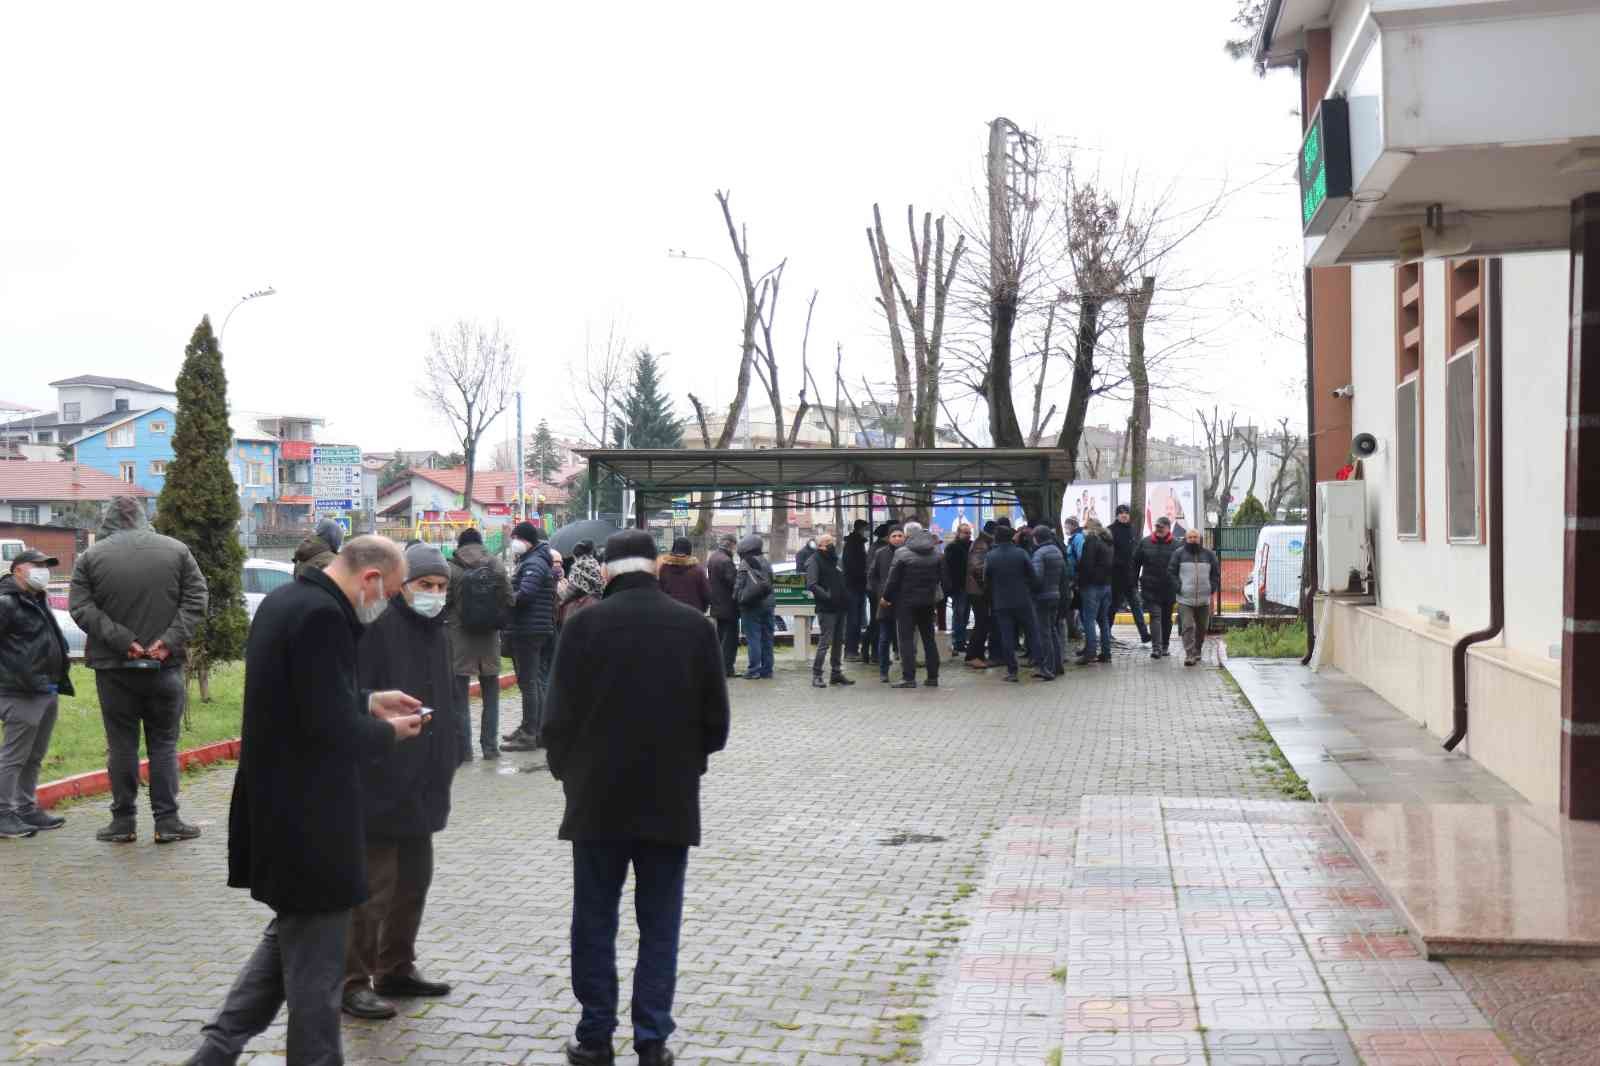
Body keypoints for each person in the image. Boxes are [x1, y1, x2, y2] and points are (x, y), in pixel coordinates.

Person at [185, 537, 425, 1066]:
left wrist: (369, 699)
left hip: (279, 810)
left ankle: (215, 1051)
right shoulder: (323, 617)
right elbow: (327, 727)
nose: (386, 604)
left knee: (287, 944)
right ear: (370, 580)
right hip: (311, 822)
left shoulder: (286, 601)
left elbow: (299, 697)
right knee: (317, 983)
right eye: (391, 591)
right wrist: (390, 733)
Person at [542, 530, 730, 1066]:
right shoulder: (694, 628)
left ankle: (595, 1034)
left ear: (606, 571)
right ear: (654, 568)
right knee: (660, 923)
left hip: (596, 800)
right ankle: (653, 1039)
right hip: (669, 800)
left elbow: (555, 722)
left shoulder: (582, 627)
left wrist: (571, 776)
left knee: (594, 919)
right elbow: (716, 723)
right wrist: (687, 764)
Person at [343, 543, 458, 1020]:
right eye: (424, 586)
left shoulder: (439, 633)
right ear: (403, 587)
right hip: (382, 779)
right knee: (374, 890)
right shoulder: (375, 628)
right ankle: (352, 980)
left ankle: (397, 967)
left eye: (440, 587)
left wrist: (452, 754)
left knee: (414, 883)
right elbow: (355, 696)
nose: (433, 594)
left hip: (426, 781)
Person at [69, 495, 208, 844]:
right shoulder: (177, 551)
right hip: (165, 666)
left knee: (122, 746)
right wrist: (167, 642)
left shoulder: (91, 557)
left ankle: (123, 822)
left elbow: (80, 607)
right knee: (163, 744)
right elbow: (196, 599)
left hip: (115, 667)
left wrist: (123, 641)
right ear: (144, 517)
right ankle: (167, 821)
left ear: (109, 520)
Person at [0, 550, 73, 839]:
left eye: (47, 565)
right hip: (20, 691)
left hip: (46, 688)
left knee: (34, 755)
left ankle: (25, 807)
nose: (44, 570)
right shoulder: (6, 602)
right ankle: (3, 813)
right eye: (37, 565)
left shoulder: (36, 598)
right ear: (18, 570)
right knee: (14, 756)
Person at [445, 527, 511, 762]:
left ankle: (464, 751)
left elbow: (445, 602)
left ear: (460, 545)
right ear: (481, 543)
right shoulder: (496, 565)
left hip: (460, 638)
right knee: (491, 695)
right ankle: (490, 747)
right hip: (489, 638)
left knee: (459, 698)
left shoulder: (451, 568)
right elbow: (509, 598)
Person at [504, 522, 557, 752]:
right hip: (534, 628)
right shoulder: (533, 560)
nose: (513, 542)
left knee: (529, 683)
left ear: (525, 539)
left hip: (529, 630)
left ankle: (530, 733)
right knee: (533, 681)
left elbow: (525, 595)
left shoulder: (533, 562)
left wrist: (504, 598)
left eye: (515, 537)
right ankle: (534, 728)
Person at [982, 526, 1048, 683]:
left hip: (1001, 602)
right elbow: (1033, 577)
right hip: (1023, 599)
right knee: (1032, 633)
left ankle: (1012, 671)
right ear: (1011, 537)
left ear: (997, 538)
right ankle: (1041, 667)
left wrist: (992, 597)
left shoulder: (991, 556)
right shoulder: (1021, 553)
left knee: (1007, 637)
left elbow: (986, 581)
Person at [882, 521, 942, 690]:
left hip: (906, 603)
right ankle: (933, 677)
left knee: (906, 641)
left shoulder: (902, 553)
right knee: (929, 639)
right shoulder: (935, 553)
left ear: (907, 535)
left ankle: (909, 678)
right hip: (928, 602)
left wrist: (886, 597)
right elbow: (944, 579)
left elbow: (892, 579)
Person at [804, 533, 855, 689]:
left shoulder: (835, 560)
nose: (830, 545)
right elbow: (812, 583)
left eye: (831, 541)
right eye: (827, 542)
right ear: (819, 545)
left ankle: (836, 672)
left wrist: (845, 595)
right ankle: (817, 674)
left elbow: (842, 579)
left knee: (839, 641)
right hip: (826, 608)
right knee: (825, 642)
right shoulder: (814, 560)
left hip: (841, 606)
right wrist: (827, 596)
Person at [1170, 526, 1221, 667]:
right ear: (1186, 539)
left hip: (1204, 598)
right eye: (1190, 537)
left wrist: (1212, 587)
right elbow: (1171, 573)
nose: (1193, 540)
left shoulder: (1209, 555)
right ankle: (1189, 654)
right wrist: (1178, 587)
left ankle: (1198, 650)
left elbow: (1216, 574)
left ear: (1200, 539)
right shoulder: (1178, 554)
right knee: (1187, 626)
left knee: (1202, 628)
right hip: (1185, 598)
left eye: (1195, 537)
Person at [1133, 516, 1181, 659]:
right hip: (1150, 587)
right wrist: (1134, 582)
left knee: (1166, 619)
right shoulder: (1145, 542)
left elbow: (1181, 568)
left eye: (1161, 527)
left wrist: (1179, 585)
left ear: (1168, 528)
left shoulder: (1177, 545)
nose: (1159, 530)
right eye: (1157, 527)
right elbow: (1135, 564)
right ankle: (1156, 648)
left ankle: (1165, 645)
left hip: (1169, 588)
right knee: (1155, 617)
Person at [1109, 504, 1152, 644]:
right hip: (1115, 576)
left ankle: (1144, 634)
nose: (1124, 515)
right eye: (1121, 512)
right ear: (1117, 515)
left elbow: (1135, 553)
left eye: (1126, 512)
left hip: (1130, 577)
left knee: (1136, 605)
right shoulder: (1110, 530)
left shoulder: (1132, 530)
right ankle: (1106, 632)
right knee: (1113, 607)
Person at [734, 534, 775, 680]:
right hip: (768, 604)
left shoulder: (745, 563)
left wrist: (737, 597)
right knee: (767, 638)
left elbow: (739, 584)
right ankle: (767, 669)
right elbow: (771, 582)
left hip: (751, 606)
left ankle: (753, 670)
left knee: (754, 639)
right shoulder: (766, 562)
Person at [1075, 518, 1115, 666]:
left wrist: (1080, 582)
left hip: (1092, 586)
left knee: (1088, 619)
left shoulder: (1092, 541)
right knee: (1103, 619)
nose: (1083, 530)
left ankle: (1090, 653)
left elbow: (1086, 564)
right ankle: (1106, 652)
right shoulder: (1108, 541)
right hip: (1106, 585)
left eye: (1085, 527)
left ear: (1091, 528)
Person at [868, 525, 904, 682]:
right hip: (885, 601)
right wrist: (879, 593)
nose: (897, 538)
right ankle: (883, 671)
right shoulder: (880, 553)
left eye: (900, 535)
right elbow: (872, 576)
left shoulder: (908, 554)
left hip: (904, 601)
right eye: (894, 536)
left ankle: (907, 670)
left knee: (904, 638)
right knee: (884, 638)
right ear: (889, 538)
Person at [1028, 528, 1066, 680]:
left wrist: (1029, 585)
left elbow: (1037, 577)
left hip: (1042, 596)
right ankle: (1058, 664)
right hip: (1055, 594)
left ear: (1037, 538)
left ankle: (1047, 668)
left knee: (1044, 632)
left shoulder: (1039, 553)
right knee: (1052, 630)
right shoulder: (1056, 550)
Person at [705, 535, 740, 678]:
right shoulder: (726, 561)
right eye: (734, 545)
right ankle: (727, 669)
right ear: (731, 544)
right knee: (730, 640)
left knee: (720, 638)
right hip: (728, 606)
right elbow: (733, 583)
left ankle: (719, 668)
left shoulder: (713, 557)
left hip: (717, 605)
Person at [963, 522, 993, 671]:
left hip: (976, 590)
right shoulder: (981, 545)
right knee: (982, 623)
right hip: (978, 591)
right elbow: (977, 568)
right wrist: (986, 584)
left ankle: (975, 654)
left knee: (982, 623)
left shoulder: (982, 543)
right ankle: (974, 656)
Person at [863, 523, 894, 666]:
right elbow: (872, 573)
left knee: (876, 623)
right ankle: (874, 654)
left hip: (876, 591)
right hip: (879, 593)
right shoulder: (880, 550)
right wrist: (878, 591)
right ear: (887, 536)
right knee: (878, 624)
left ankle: (869, 652)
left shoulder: (875, 547)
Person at [657, 538, 712, 613]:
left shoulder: (664, 569)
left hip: (670, 613)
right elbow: (707, 595)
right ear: (689, 551)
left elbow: (660, 592)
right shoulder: (697, 571)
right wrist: (702, 609)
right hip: (694, 614)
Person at [841, 519, 870, 659]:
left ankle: (852, 650)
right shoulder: (855, 545)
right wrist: (864, 575)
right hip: (854, 587)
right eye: (866, 529)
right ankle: (851, 651)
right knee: (854, 620)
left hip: (855, 586)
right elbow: (855, 567)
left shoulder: (853, 544)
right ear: (861, 529)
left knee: (856, 620)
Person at [558, 541, 604, 627]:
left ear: (575, 555)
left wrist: (561, 600)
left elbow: (572, 591)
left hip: (580, 609)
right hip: (598, 606)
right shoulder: (596, 565)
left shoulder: (578, 567)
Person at [944, 524, 972, 655]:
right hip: (958, 587)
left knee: (964, 614)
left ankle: (961, 640)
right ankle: (958, 641)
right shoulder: (952, 548)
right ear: (958, 533)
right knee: (959, 614)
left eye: (969, 533)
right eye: (965, 533)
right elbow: (949, 569)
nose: (968, 535)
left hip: (969, 586)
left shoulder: (971, 546)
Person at [1062, 516, 1085, 643]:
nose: (1065, 529)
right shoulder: (1073, 539)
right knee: (1073, 607)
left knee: (1077, 607)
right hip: (1073, 578)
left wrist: (1076, 578)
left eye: (1066, 526)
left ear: (1072, 526)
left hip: (1076, 579)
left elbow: (1081, 558)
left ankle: (1078, 631)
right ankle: (1075, 631)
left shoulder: (1078, 538)